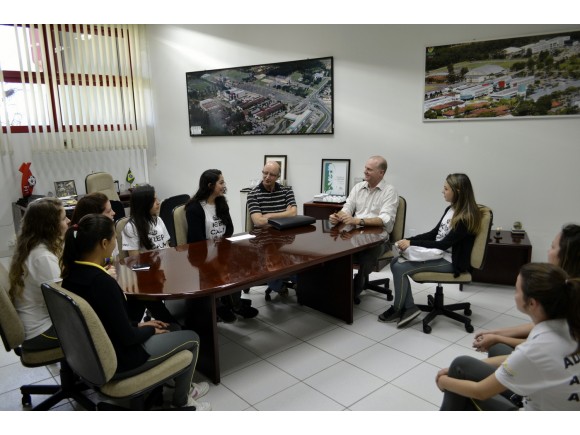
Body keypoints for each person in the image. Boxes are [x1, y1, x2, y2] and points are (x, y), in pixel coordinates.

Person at [61, 214, 211, 410]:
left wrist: (141, 324)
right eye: (114, 238)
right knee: (192, 338)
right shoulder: (102, 283)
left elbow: (105, 320)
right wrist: (148, 330)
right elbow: (128, 338)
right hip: (120, 360)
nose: (116, 243)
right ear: (104, 243)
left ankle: (172, 380)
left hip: (91, 357)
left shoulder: (70, 276)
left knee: (171, 327)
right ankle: (182, 402)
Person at [436, 262, 580, 411]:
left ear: (532, 303)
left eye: (516, 289)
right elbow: (518, 358)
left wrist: (444, 382)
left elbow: (480, 392)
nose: (514, 294)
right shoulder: (571, 324)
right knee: (492, 352)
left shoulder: (536, 348)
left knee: (460, 367)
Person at [379, 173, 481, 327]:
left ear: (458, 191)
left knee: (399, 267)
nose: (442, 191)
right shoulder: (451, 209)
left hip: (451, 261)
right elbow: (434, 234)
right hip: (440, 254)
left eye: (446, 189)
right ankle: (409, 307)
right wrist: (408, 240)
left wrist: (412, 243)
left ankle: (398, 308)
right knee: (394, 262)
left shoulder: (466, 217)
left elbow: (443, 244)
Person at [71, 192, 177, 327]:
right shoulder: (90, 248)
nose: (114, 213)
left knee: (142, 289)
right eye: (108, 211)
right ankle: (171, 325)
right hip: (109, 304)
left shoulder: (107, 237)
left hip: (117, 287)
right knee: (142, 289)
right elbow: (133, 262)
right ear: (95, 217)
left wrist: (153, 267)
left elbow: (116, 264)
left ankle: (170, 323)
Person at [473, 223, 580, 356]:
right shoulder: (567, 286)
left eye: (553, 247)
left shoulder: (571, 295)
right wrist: (496, 333)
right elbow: (544, 327)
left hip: (557, 357)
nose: (548, 251)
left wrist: (497, 338)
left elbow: (546, 344)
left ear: (567, 256)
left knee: (496, 349)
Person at [185, 169, 258, 321]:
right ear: (210, 185)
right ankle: (219, 305)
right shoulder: (194, 208)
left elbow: (229, 229)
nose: (224, 185)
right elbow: (197, 240)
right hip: (203, 255)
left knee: (242, 262)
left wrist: (223, 251)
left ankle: (234, 303)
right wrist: (216, 255)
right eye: (221, 182)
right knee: (225, 267)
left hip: (221, 251)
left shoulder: (221, 202)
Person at [329, 155, 398, 305]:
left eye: (369, 169)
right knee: (335, 250)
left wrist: (358, 221)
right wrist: (338, 216)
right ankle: (334, 287)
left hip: (379, 239)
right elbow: (347, 208)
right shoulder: (358, 187)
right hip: (356, 236)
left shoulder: (389, 191)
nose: (365, 171)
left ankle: (355, 288)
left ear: (381, 173)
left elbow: (385, 219)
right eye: (365, 168)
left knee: (367, 256)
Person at [8, 197, 69, 351]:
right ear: (50, 226)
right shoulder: (43, 257)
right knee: (98, 324)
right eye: (63, 218)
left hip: (35, 326)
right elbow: (63, 304)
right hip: (41, 332)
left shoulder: (33, 247)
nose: (68, 221)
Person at [247, 161, 298, 301]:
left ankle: (297, 283)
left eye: (272, 174)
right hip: (265, 239)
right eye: (265, 173)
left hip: (285, 236)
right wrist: (284, 214)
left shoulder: (287, 190)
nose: (267, 177)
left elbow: (293, 213)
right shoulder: (253, 194)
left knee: (298, 257)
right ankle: (279, 287)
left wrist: (269, 215)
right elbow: (258, 221)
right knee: (269, 260)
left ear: (278, 177)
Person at [122, 184, 170, 256]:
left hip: (163, 260)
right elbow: (134, 258)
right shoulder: (130, 227)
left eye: (157, 199)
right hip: (146, 262)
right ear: (143, 204)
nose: (158, 202)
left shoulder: (158, 219)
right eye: (153, 200)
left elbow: (166, 246)